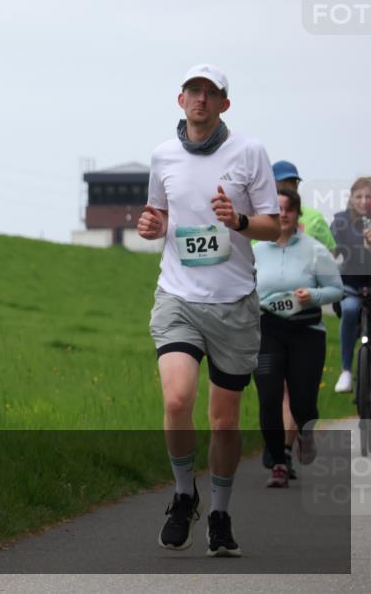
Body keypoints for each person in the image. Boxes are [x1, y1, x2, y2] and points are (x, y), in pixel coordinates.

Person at [138, 64, 279, 557]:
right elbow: (159, 214)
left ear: (224, 104)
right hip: (178, 296)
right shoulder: (163, 155)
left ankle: (219, 511)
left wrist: (238, 220)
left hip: (234, 302)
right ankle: (183, 495)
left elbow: (272, 226)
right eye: (193, 91)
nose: (201, 99)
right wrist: (153, 227)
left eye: (211, 92)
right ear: (180, 100)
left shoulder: (249, 152)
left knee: (223, 420)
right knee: (177, 401)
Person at [253, 188, 343, 487]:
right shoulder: (256, 251)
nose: (283, 215)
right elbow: (242, 288)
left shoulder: (314, 250)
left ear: (296, 214)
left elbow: (336, 290)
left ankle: (306, 430)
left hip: (306, 333)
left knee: (303, 402)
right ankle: (278, 461)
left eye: (289, 209)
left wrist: (312, 295)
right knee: (268, 397)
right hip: (268, 332)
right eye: (277, 210)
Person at [330, 177, 371, 393]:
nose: (364, 201)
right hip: (351, 285)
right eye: (359, 196)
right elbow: (330, 251)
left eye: (369, 196)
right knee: (350, 308)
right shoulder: (340, 221)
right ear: (351, 199)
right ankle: (346, 370)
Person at [271, 161, 336, 251]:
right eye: (283, 183)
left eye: (293, 182)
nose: (289, 187)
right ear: (270, 184)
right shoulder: (259, 218)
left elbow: (330, 252)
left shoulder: (315, 218)